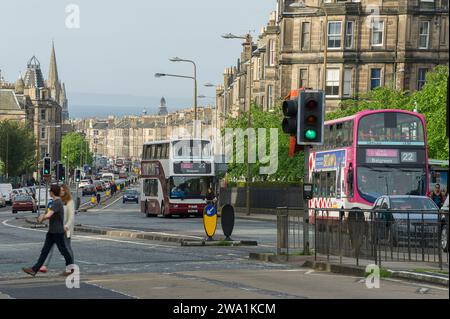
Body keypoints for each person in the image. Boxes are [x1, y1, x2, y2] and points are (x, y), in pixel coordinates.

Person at [22, 185, 74, 277]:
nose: (49, 192)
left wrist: (42, 218)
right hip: (52, 232)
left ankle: (70, 268)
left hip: (58, 232)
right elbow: (48, 213)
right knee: (45, 251)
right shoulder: (54, 202)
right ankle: (34, 270)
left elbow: (49, 214)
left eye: (50, 191)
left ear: (52, 192)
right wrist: (43, 216)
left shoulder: (57, 202)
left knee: (64, 251)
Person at [39, 184, 75, 273]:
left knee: (67, 248)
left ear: (66, 191)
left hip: (65, 229)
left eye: (63, 190)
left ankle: (70, 267)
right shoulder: (57, 201)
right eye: (60, 190)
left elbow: (71, 217)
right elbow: (51, 213)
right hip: (56, 229)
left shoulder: (69, 202)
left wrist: (66, 227)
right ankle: (44, 265)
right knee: (49, 247)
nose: (61, 191)